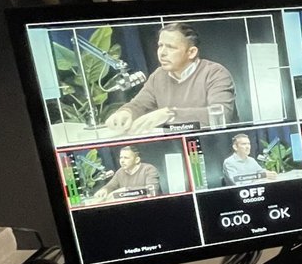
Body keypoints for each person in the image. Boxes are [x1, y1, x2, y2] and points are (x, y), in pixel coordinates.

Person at [104, 23, 237, 134]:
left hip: (216, 145)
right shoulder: (158, 76)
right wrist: (126, 113)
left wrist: (170, 114)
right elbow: (139, 104)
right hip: (173, 146)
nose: (162, 53)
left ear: (191, 52)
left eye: (171, 47)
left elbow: (221, 114)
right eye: (160, 45)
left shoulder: (215, 73)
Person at [90, 146, 160, 203]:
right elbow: (111, 185)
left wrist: (126, 190)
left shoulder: (149, 169)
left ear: (137, 160)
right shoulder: (120, 172)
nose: (122, 161)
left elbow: (152, 190)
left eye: (126, 158)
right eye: (121, 157)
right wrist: (105, 189)